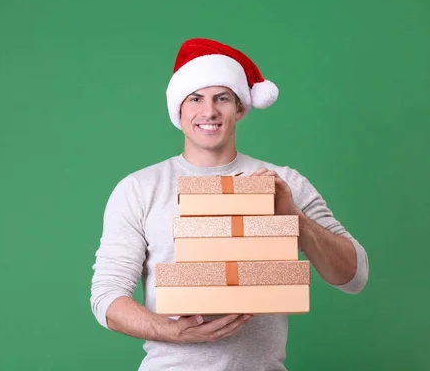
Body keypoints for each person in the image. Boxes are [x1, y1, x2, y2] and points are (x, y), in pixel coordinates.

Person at [90, 38, 369, 371]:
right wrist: (174, 331)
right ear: (179, 109)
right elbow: (106, 297)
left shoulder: (284, 182)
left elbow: (354, 277)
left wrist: (292, 216)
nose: (208, 112)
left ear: (239, 108)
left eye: (221, 98)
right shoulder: (140, 189)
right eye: (195, 99)